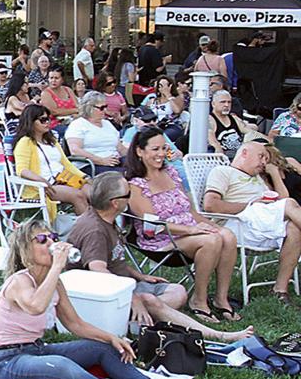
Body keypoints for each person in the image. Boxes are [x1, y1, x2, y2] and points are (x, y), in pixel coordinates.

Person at [0, 218, 193, 379]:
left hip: (35, 349)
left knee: (101, 349)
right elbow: (35, 306)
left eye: (54, 238)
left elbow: (75, 324)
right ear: (25, 249)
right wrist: (58, 265)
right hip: (6, 360)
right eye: (42, 239)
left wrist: (111, 338)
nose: (51, 243)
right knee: (61, 366)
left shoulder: (55, 283)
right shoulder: (19, 281)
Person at [67, 172, 253, 341]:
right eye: (128, 195)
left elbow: (112, 261)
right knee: (150, 300)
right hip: (99, 295)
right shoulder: (95, 230)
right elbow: (98, 271)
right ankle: (218, 335)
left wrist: (140, 276)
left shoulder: (107, 219)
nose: (130, 199)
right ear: (115, 203)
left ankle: (135, 319)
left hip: (122, 284)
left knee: (178, 292)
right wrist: (133, 298)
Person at [126, 127, 242, 321]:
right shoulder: (135, 184)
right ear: (140, 151)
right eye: (155, 149)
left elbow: (190, 210)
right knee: (211, 241)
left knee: (227, 236)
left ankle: (221, 299)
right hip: (160, 239)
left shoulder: (171, 172)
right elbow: (152, 223)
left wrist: (211, 225)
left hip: (190, 231)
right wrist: (192, 229)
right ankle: (199, 300)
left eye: (164, 148)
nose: (161, 154)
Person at [203, 139, 301, 304]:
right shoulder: (223, 172)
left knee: (295, 229)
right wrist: (250, 205)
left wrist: (274, 176)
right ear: (244, 153)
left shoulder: (258, 178)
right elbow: (210, 205)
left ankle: (280, 289)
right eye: (261, 156)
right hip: (238, 224)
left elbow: (281, 201)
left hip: (261, 223)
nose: (264, 162)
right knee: (290, 204)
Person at [12, 104, 90, 216]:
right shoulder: (25, 142)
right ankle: (87, 230)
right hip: (43, 186)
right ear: (31, 121)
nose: (47, 122)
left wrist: (84, 177)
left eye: (48, 119)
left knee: (94, 193)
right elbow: (22, 170)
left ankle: (107, 228)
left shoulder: (51, 141)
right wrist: (42, 181)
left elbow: (66, 164)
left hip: (64, 179)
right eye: (43, 120)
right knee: (78, 195)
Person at [65, 91, 125, 174]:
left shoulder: (107, 124)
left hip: (114, 161)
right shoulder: (78, 124)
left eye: (106, 106)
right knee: (123, 175)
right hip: (90, 165)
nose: (105, 110)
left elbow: (121, 148)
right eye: (101, 108)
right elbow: (75, 150)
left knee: (139, 170)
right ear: (89, 108)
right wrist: (102, 160)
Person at [209, 90, 254, 160]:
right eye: (223, 102)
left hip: (241, 156)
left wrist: (269, 139)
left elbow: (251, 133)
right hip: (224, 158)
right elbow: (214, 143)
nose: (226, 105)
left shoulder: (234, 118)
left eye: (229, 102)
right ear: (213, 104)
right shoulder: (210, 120)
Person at [142, 76, 186, 143]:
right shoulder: (153, 100)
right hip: (153, 125)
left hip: (171, 125)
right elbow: (146, 113)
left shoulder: (177, 98)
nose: (163, 88)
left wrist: (168, 95)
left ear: (170, 86)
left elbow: (177, 111)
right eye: (160, 86)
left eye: (165, 85)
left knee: (161, 137)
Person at [38, 67, 78, 135]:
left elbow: (77, 105)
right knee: (73, 132)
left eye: (56, 78)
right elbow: (54, 112)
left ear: (62, 80)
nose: (53, 80)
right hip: (56, 124)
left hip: (73, 120)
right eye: (51, 78)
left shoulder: (68, 90)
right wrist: (75, 110)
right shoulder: (46, 93)